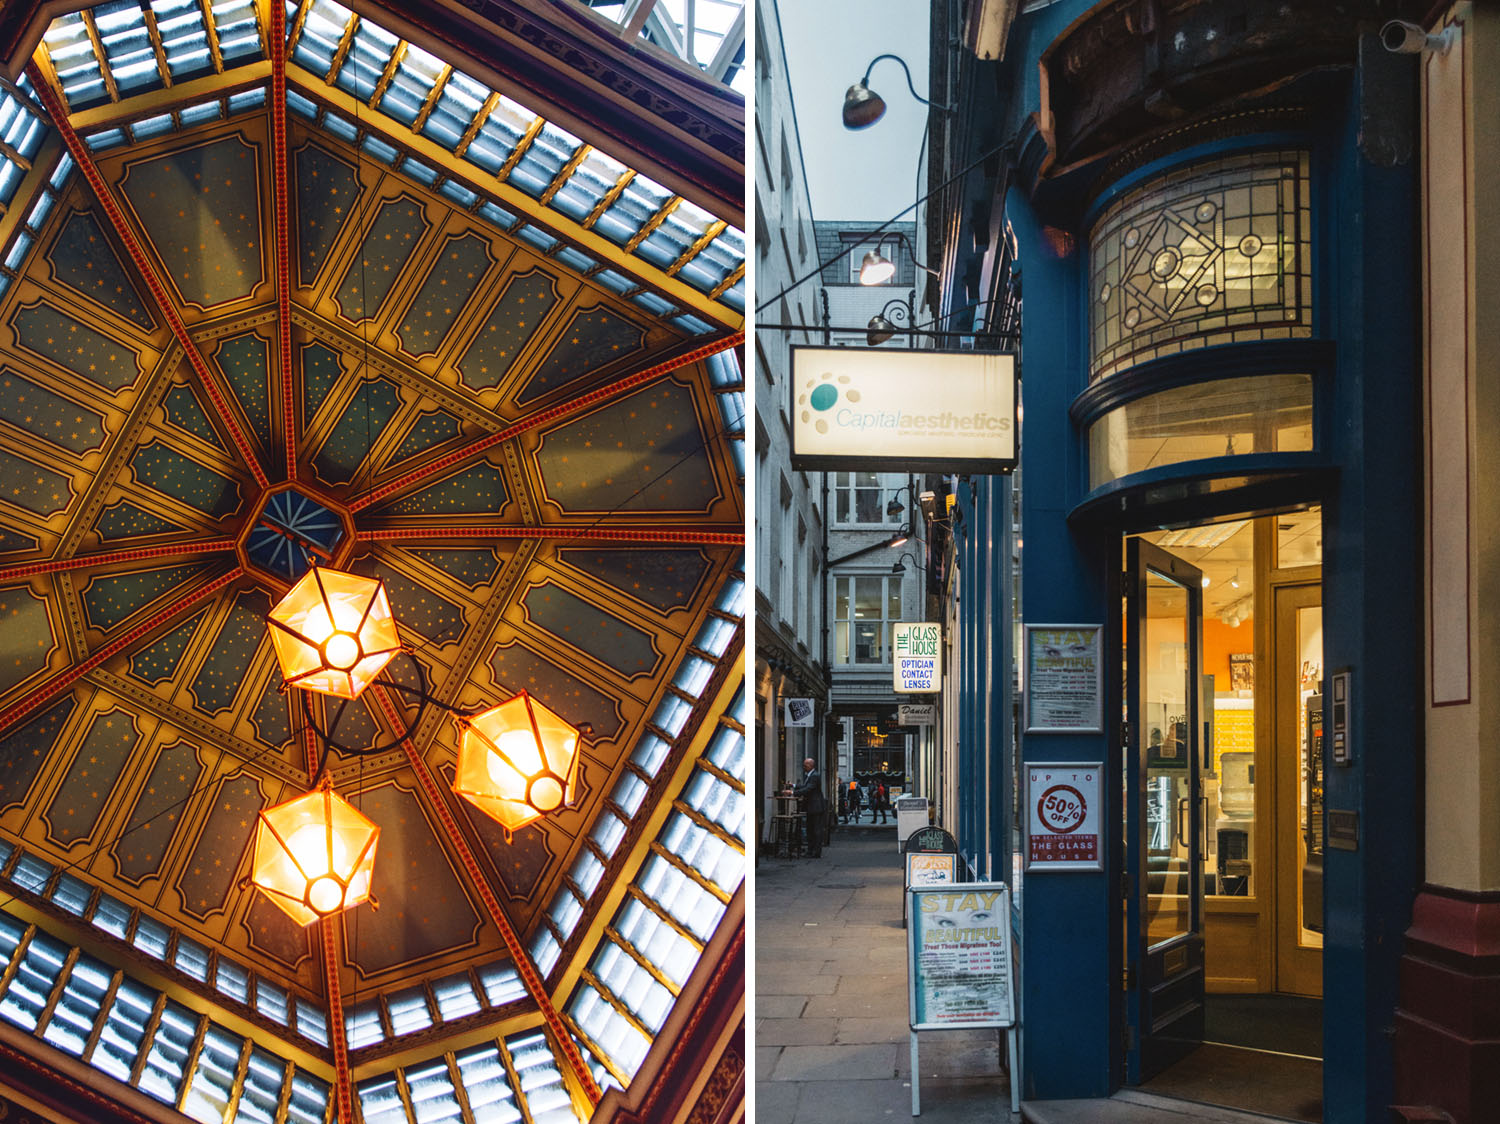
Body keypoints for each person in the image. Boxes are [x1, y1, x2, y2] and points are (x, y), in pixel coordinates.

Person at [792, 757, 826, 857]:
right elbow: (805, 786)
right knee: (811, 830)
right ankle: (811, 851)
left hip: (815, 807)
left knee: (815, 830)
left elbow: (808, 789)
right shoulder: (811, 775)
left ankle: (815, 852)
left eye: (806, 765)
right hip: (812, 807)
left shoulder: (814, 776)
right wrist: (794, 786)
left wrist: (793, 793)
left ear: (811, 765)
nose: (804, 767)